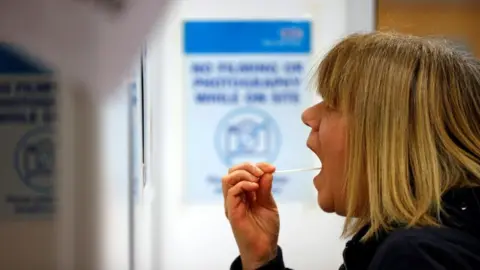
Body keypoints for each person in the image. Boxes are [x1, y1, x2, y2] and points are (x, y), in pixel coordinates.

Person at [221, 32, 480, 270]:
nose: (308, 116)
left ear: (387, 135)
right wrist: (260, 258)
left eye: (332, 103)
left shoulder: (415, 256)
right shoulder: (428, 243)